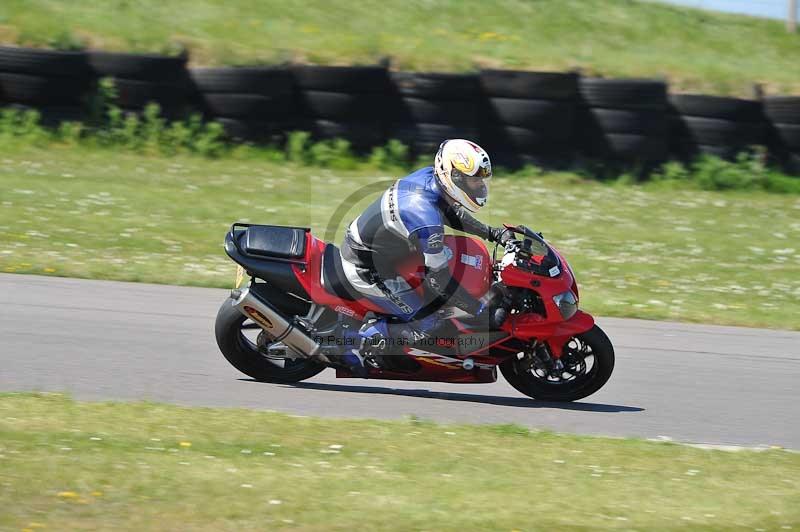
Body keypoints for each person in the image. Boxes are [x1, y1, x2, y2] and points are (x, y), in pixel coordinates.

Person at [334, 139, 514, 375]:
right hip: (366, 267)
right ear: (454, 176)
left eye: (482, 179)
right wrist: (479, 310)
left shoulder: (431, 178)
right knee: (430, 325)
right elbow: (439, 279)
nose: (479, 186)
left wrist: (493, 233)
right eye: (474, 180)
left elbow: (451, 212)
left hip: (389, 251)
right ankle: (353, 340)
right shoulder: (425, 216)